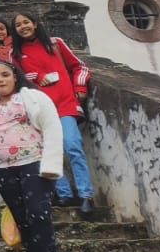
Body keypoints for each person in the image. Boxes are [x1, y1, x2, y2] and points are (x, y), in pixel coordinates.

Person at [0, 60, 74, 252]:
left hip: (33, 164)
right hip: (3, 171)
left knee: (38, 215)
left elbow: (53, 127)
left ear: (15, 76)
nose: (0, 80)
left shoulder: (32, 97)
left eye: (5, 75)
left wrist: (52, 165)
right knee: (22, 221)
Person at [10, 12, 96, 217]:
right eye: (18, 25)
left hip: (65, 103)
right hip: (40, 108)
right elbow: (16, 81)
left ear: (35, 23)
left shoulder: (55, 43)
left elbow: (79, 66)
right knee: (49, 151)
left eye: (26, 22)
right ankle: (63, 193)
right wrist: (35, 78)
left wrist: (80, 86)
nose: (23, 27)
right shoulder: (15, 54)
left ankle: (86, 195)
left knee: (72, 146)